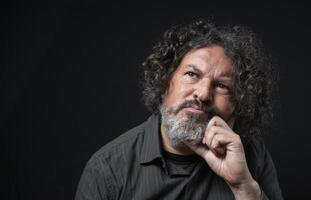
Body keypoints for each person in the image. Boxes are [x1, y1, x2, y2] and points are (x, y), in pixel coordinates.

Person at [75, 19, 283, 200]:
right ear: (165, 82)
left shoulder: (252, 158)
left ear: (237, 103)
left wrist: (243, 188)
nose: (203, 94)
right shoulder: (108, 169)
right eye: (192, 74)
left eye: (222, 86)